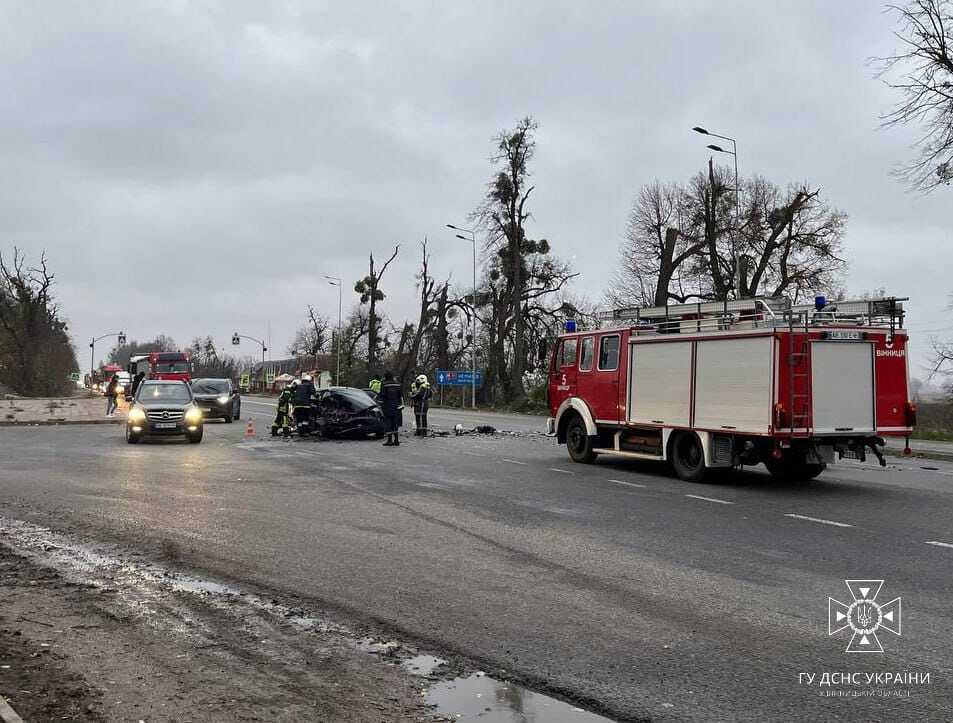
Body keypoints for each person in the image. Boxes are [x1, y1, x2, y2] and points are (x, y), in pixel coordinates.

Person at [379, 371, 403, 446]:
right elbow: (400, 395)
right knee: (395, 423)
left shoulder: (384, 384)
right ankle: (396, 440)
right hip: (396, 406)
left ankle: (389, 440)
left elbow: (382, 395)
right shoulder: (398, 384)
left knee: (388, 423)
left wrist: (380, 404)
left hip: (387, 406)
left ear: (385, 377)